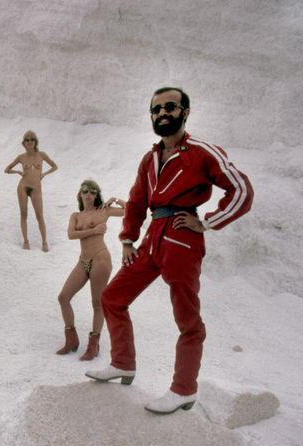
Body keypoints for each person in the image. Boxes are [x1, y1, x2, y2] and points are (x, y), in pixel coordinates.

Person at [86, 87, 254, 414]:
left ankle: (183, 389)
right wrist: (127, 240)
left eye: (170, 107)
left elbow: (242, 189)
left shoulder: (202, 152)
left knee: (188, 320)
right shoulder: (150, 158)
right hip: (151, 239)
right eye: (156, 109)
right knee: (113, 298)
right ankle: (123, 363)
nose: (163, 113)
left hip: (182, 239)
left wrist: (207, 221)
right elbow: (136, 201)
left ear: (185, 112)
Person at [56, 180, 125, 360]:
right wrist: (95, 230)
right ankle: (71, 340)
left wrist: (116, 199)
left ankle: (93, 345)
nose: (88, 194)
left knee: (97, 302)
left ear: (96, 196)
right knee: (63, 297)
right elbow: (71, 235)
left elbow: (131, 211)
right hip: (83, 260)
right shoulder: (76, 216)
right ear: (80, 195)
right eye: (85, 191)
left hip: (100, 258)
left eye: (92, 191)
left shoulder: (104, 211)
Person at [4, 130, 58, 251]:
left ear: (35, 141)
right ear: (24, 143)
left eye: (32, 139)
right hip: (23, 186)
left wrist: (44, 174)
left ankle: (44, 242)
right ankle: (26, 241)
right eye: (27, 140)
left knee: (39, 215)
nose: (29, 142)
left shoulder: (42, 155)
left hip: (36, 188)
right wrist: (17, 171)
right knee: (24, 214)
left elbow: (55, 166)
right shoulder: (21, 157)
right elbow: (6, 169)